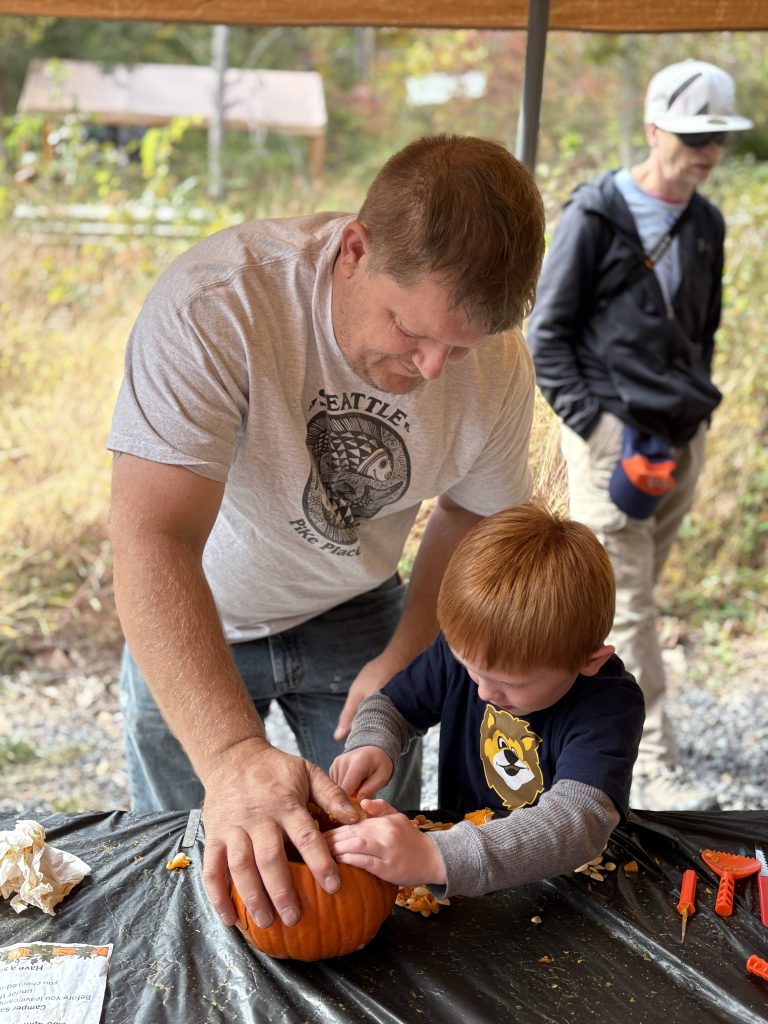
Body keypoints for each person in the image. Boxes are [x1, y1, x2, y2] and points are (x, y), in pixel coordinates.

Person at [107, 134, 545, 930]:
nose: (434, 368)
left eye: (461, 346)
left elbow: (472, 513)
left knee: (362, 869)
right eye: (411, 330)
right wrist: (234, 758)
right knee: (190, 866)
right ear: (355, 250)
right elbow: (151, 537)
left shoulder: (498, 366)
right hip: (198, 611)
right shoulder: (219, 304)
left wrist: (406, 654)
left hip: (356, 607)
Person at [525, 60, 753, 812]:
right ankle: (653, 760)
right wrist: (597, 428)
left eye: (716, 139)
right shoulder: (594, 216)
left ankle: (577, 722)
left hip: (681, 436)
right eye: (692, 136)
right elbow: (546, 337)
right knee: (624, 601)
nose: (705, 153)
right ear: (654, 129)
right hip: (613, 439)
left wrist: (696, 412)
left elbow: (703, 331)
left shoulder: (708, 221)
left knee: (640, 588)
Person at [325, 502, 644, 897]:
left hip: (563, 890)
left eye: (512, 683)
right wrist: (373, 744)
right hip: (459, 873)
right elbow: (390, 706)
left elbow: (577, 820)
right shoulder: (467, 654)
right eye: (471, 670)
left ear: (589, 661)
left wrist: (434, 857)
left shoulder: (609, 707)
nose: (485, 693)